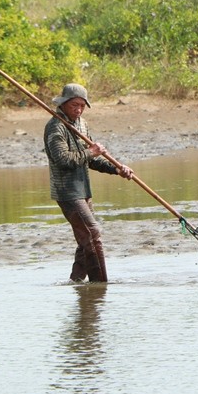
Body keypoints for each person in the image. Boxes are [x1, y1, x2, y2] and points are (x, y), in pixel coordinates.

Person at [44, 83, 134, 283]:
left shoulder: (81, 124)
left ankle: (76, 282)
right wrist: (90, 152)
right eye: (74, 105)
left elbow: (91, 160)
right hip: (67, 191)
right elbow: (63, 160)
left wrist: (116, 169)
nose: (78, 110)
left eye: (82, 106)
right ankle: (100, 285)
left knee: (85, 239)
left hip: (84, 189)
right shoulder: (55, 127)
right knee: (93, 233)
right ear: (64, 103)